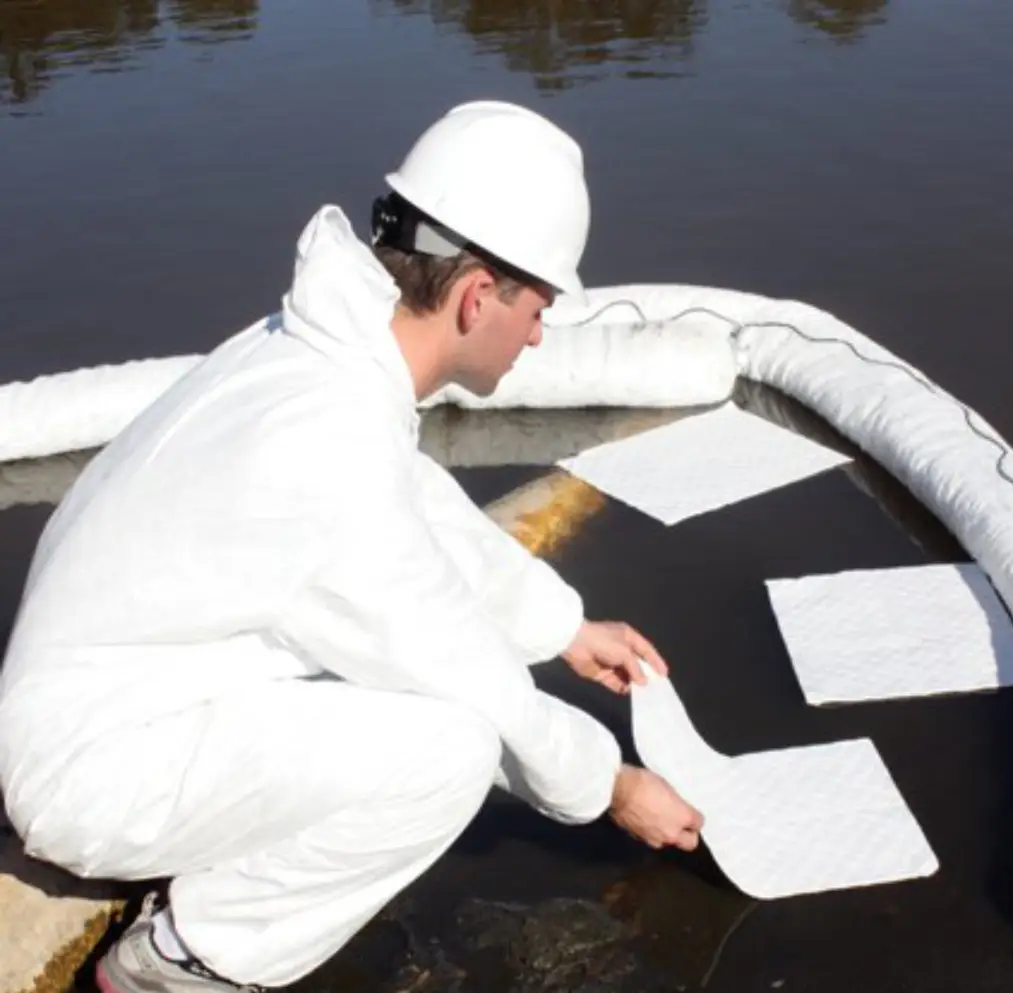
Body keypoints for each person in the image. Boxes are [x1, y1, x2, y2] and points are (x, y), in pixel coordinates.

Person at [0, 100, 704, 993]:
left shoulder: (319, 365)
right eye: (538, 308)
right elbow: (467, 672)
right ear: (476, 294)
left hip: (108, 698)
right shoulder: (320, 452)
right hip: (89, 769)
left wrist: (562, 627)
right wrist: (614, 785)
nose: (537, 335)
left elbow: (413, 502)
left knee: (390, 682)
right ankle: (175, 966)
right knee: (450, 753)